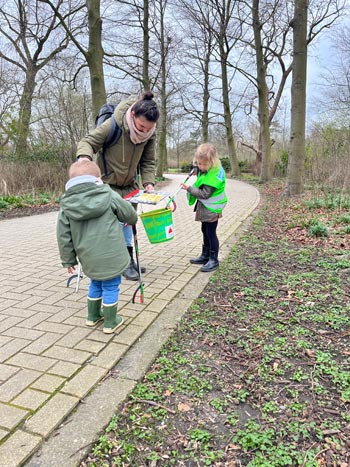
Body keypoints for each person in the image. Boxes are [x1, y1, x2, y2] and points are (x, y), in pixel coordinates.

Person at [76, 90, 160, 281]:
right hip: (107, 185)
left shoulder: (150, 134)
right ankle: (105, 263)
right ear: (132, 115)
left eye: (149, 128)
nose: (145, 131)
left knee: (127, 223)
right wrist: (84, 159)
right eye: (141, 126)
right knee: (107, 226)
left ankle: (127, 261)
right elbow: (88, 142)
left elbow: (148, 162)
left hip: (130, 187)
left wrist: (148, 183)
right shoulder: (114, 124)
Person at [56, 160, 138, 334]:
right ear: (97, 178)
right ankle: (110, 321)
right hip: (111, 254)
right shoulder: (107, 194)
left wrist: (68, 260)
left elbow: (63, 235)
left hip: (87, 256)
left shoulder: (66, 204)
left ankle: (92, 316)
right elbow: (129, 214)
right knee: (111, 285)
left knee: (95, 282)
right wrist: (129, 219)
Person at [181, 143, 227, 272]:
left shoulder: (214, 176)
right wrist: (197, 168)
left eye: (203, 165)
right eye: (199, 164)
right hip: (206, 209)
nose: (201, 167)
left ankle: (214, 260)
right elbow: (200, 168)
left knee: (211, 233)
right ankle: (205, 255)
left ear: (211, 161)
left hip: (212, 209)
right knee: (204, 230)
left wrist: (189, 188)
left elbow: (204, 194)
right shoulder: (208, 168)